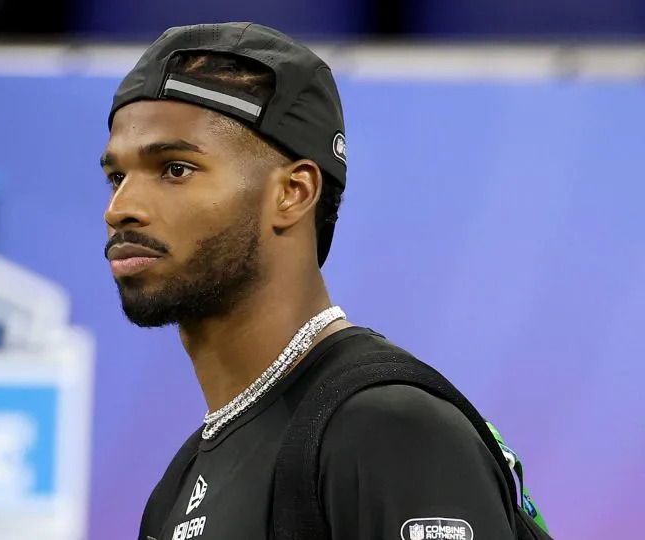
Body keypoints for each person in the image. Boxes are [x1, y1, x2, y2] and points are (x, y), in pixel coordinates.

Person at [101, 22, 520, 540]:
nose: (121, 209)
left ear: (293, 193)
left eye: (176, 169)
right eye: (117, 177)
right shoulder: (178, 485)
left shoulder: (388, 428)